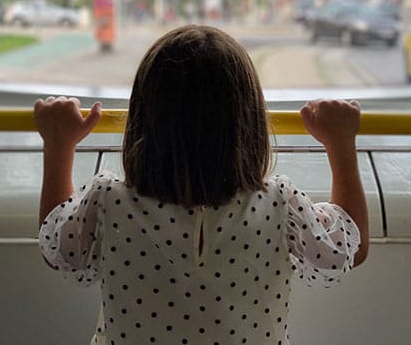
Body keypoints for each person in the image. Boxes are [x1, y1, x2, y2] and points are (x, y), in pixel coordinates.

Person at [34, 24, 369, 345]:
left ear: (141, 121)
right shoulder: (279, 204)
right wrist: (340, 144)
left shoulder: (109, 201)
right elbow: (348, 248)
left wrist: (59, 143)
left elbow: (58, 247)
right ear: (249, 123)